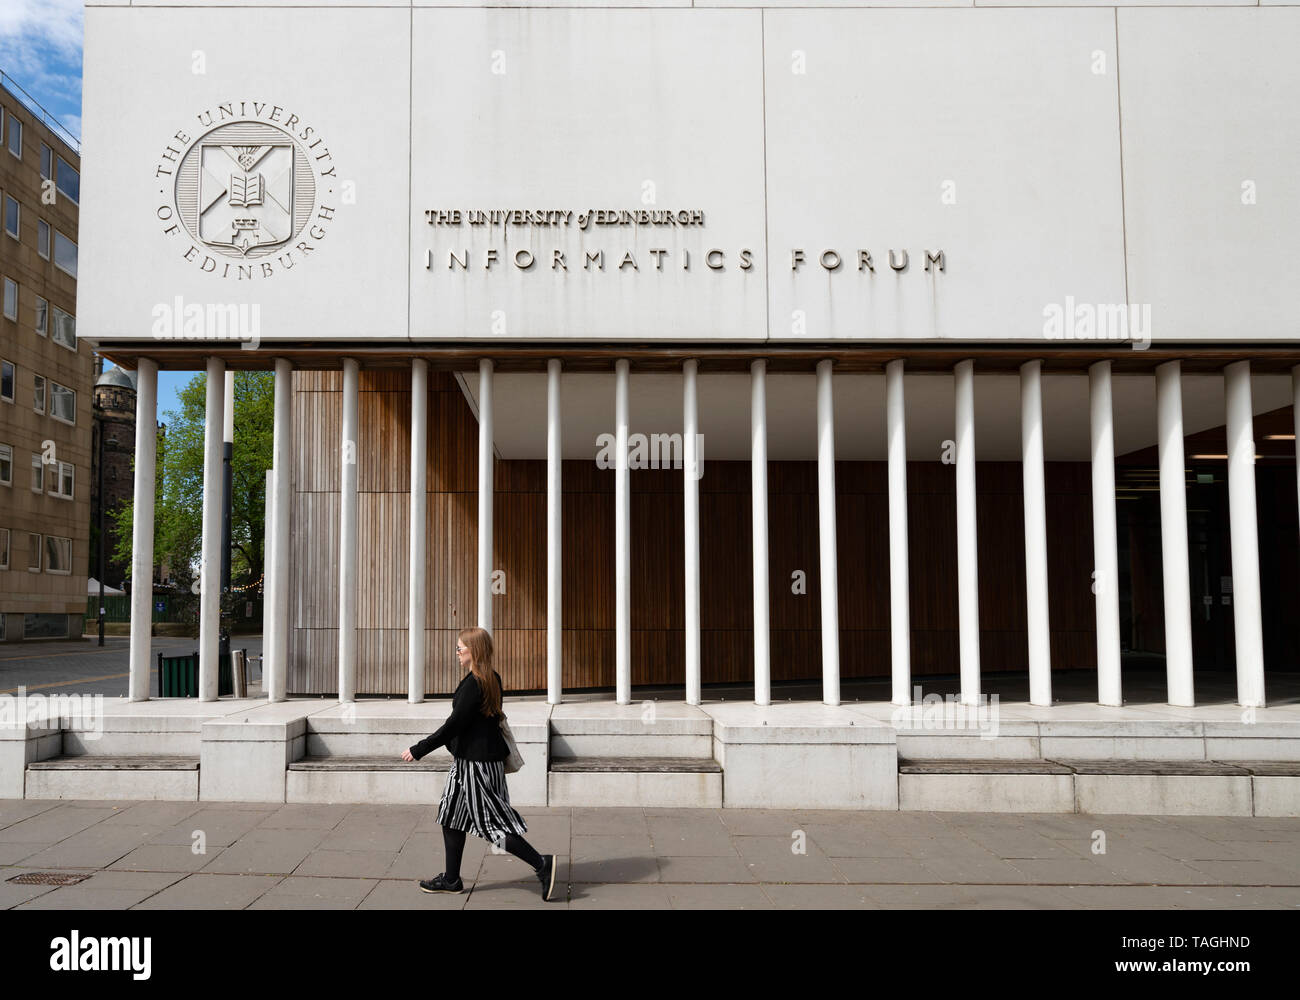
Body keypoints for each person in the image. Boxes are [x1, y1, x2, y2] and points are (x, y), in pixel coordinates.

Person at [401, 626, 557, 901]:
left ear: (474, 651)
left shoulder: (476, 684)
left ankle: (541, 863)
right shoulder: (488, 678)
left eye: (460, 648)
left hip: (477, 767)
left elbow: (454, 725)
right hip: (469, 763)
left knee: (492, 826)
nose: (457, 653)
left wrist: (419, 748)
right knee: (450, 816)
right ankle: (451, 879)